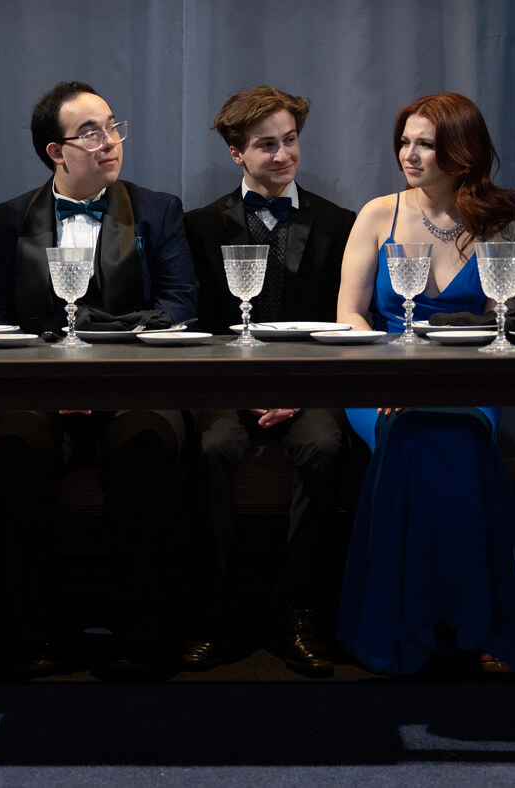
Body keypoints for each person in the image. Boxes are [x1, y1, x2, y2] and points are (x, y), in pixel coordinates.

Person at [335, 93, 515, 676]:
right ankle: (407, 622)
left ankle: (481, 618)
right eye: (405, 141)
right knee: (409, 431)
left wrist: (449, 376)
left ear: (461, 153)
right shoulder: (376, 213)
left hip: (465, 377)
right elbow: (348, 314)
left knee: (458, 437)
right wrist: (386, 370)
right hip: (379, 377)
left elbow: (499, 321)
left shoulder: (497, 223)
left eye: (425, 144)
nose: (409, 154)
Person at [0, 81, 198, 675]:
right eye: (91, 133)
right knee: (9, 454)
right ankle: (32, 636)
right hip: (39, 388)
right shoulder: (7, 218)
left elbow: (180, 304)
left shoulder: (158, 209)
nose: (110, 143)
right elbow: (4, 319)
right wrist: (54, 386)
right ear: (56, 152)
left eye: (113, 128)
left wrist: (109, 365)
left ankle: (142, 637)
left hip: (136, 385)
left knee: (147, 452)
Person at [181, 86, 356, 676]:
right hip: (229, 386)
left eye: (290, 141)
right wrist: (243, 390)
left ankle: (296, 611)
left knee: (326, 445)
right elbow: (200, 327)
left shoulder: (339, 223)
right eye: (266, 145)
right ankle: (218, 613)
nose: (283, 155)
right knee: (211, 447)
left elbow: (343, 321)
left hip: (310, 383)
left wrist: (299, 391)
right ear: (236, 154)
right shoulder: (200, 226)